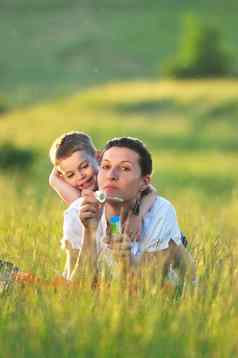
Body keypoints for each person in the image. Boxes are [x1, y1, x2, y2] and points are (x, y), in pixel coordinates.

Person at [62, 137, 195, 288]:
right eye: (105, 167)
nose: (111, 175)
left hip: (168, 281)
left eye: (125, 168)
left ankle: (178, 243)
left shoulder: (160, 213)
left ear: (144, 182)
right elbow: (77, 289)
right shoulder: (77, 212)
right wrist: (89, 232)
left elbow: (148, 290)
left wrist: (126, 261)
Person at [49, 132, 158, 279]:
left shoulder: (109, 178)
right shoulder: (80, 199)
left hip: (118, 229)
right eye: (70, 175)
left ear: (98, 157)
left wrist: (136, 216)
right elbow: (58, 185)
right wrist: (54, 180)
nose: (80, 176)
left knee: (117, 240)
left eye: (84, 166)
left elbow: (150, 191)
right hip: (93, 248)